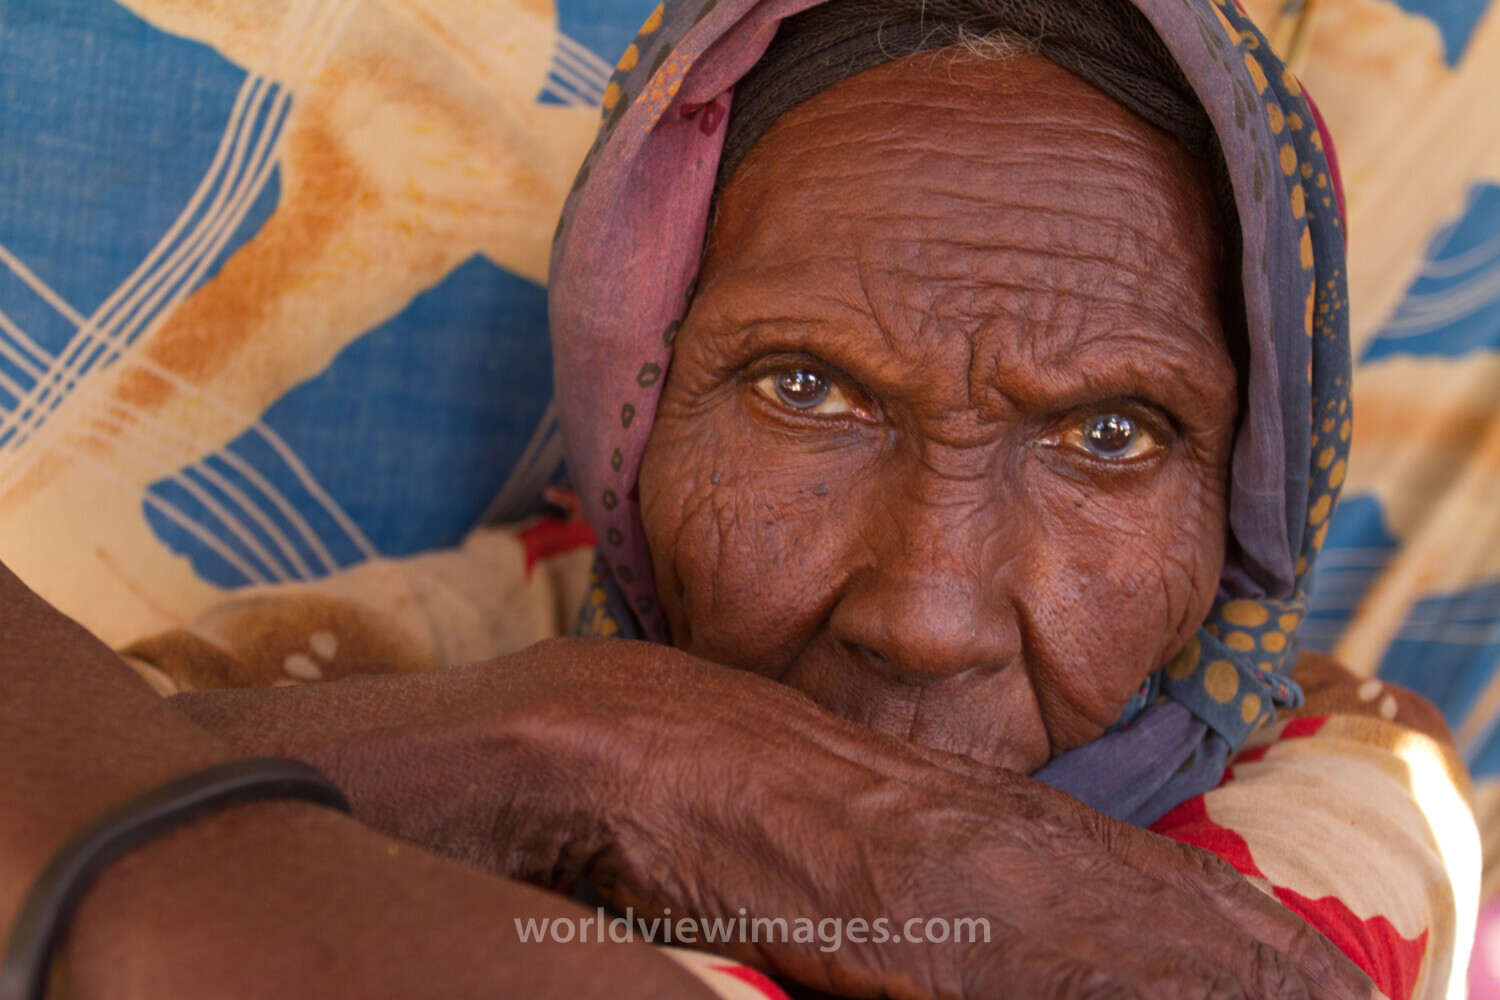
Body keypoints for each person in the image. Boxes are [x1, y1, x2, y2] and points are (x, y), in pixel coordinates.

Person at [0, 0, 1475, 996]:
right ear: (636, 395)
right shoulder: (494, 635)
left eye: (1108, 432)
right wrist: (605, 757)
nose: (926, 614)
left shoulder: (1348, 811)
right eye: (804, 388)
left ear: (1248, 494)